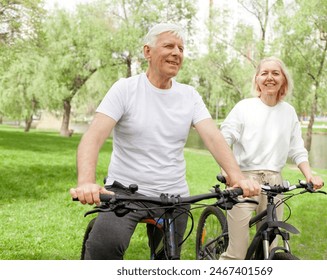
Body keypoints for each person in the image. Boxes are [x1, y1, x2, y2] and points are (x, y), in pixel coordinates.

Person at [69, 23, 259, 260]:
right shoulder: (125, 89)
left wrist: (237, 177)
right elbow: (93, 137)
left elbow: (213, 137)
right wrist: (86, 181)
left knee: (167, 261)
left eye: (181, 48)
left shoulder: (189, 96)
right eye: (169, 46)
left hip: (173, 197)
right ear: (147, 52)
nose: (177, 53)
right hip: (125, 193)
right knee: (104, 248)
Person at [219, 56, 324, 260]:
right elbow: (224, 139)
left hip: (275, 183)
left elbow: (297, 148)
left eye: (275, 73)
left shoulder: (289, 112)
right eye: (264, 73)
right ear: (257, 79)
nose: (270, 77)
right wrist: (229, 174)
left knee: (270, 244)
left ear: (283, 80)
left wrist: (309, 175)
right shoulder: (244, 107)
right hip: (244, 180)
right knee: (237, 254)